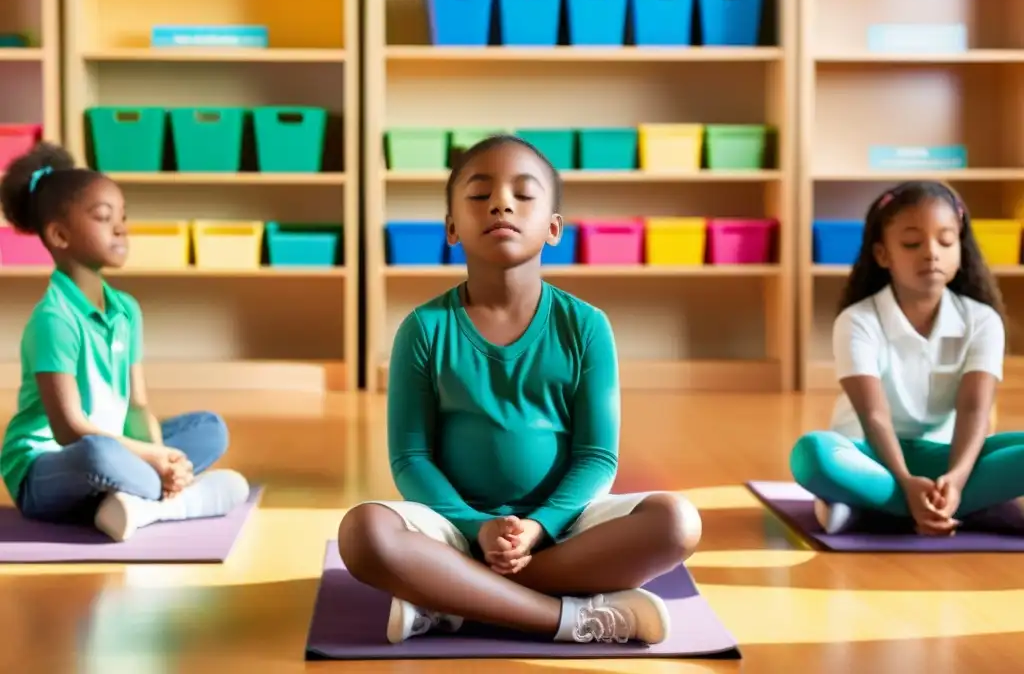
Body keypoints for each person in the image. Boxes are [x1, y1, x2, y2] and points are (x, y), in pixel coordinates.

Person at [338, 135, 702, 647]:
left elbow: (597, 457)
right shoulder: (422, 329)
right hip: (453, 531)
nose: (501, 203)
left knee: (675, 523)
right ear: (451, 228)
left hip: (564, 529)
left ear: (554, 228)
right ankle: (570, 619)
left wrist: (538, 529)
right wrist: (476, 528)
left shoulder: (587, 326)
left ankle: (451, 600)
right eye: (479, 194)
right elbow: (411, 459)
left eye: (523, 194)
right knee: (363, 533)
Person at [0, 143, 250, 542]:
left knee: (209, 429)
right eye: (103, 217)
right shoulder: (53, 320)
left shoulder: (127, 311)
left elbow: (137, 405)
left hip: (117, 450)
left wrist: (160, 457)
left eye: (123, 217)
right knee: (99, 456)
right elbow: (69, 430)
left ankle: (133, 499)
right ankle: (170, 503)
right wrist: (153, 459)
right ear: (59, 235)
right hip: (47, 468)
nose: (121, 228)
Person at [790, 181, 1024, 536]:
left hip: (947, 457)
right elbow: (874, 415)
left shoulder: (983, 320)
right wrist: (904, 479)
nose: (931, 253)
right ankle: (961, 505)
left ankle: (873, 505)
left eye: (946, 241)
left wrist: (957, 480)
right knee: (812, 454)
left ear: (960, 248)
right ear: (883, 254)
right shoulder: (857, 321)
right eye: (912, 243)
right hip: (867, 453)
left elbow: (975, 410)